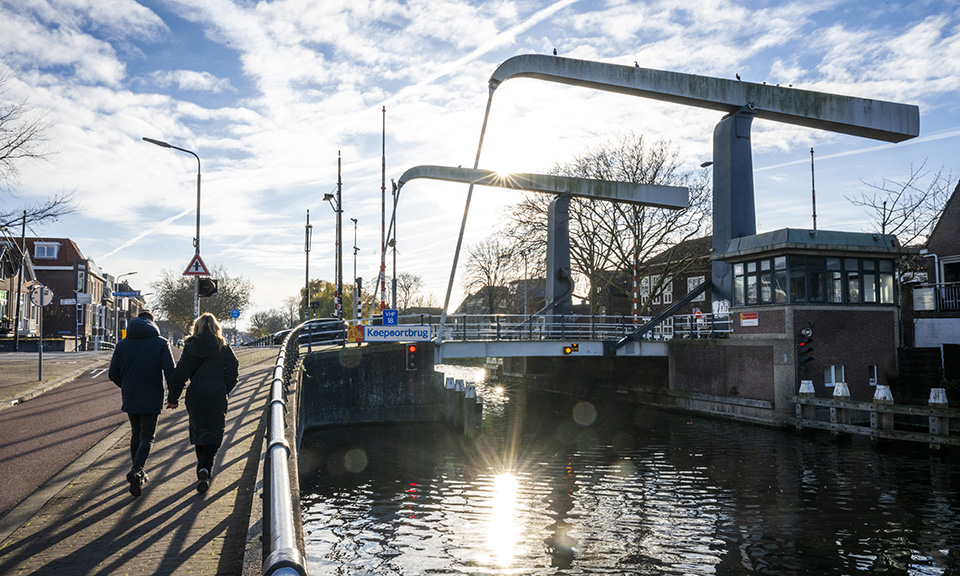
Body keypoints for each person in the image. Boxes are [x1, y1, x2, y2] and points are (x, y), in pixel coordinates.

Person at [167, 313, 239, 493]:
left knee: (199, 431)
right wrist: (224, 388)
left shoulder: (190, 346)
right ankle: (205, 468)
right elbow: (233, 370)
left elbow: (179, 374)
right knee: (215, 432)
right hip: (216, 394)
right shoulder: (222, 346)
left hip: (196, 394)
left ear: (197, 327)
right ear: (216, 327)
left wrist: (173, 398)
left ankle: (202, 467)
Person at [109, 310, 175, 497]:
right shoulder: (161, 343)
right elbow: (170, 372)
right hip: (153, 395)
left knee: (136, 434)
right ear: (152, 323)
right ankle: (136, 470)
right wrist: (172, 397)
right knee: (147, 436)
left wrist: (127, 385)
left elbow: (112, 374)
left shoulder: (122, 345)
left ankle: (137, 472)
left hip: (131, 396)